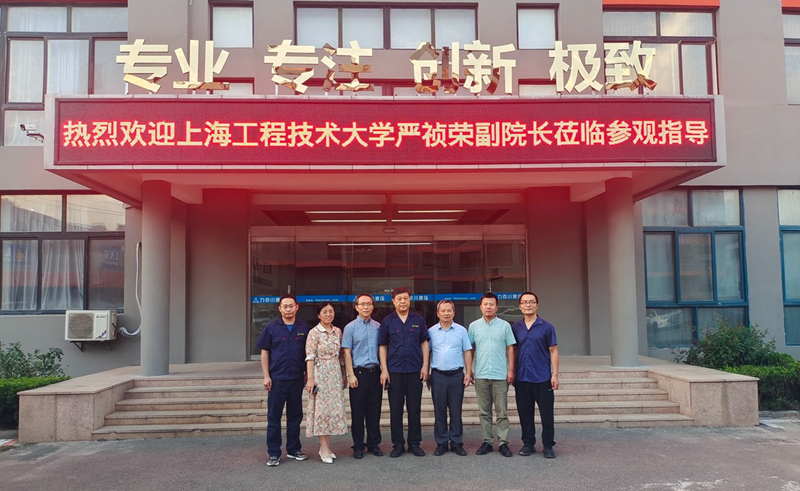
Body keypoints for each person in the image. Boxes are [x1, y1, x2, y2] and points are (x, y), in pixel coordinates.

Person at [256, 294, 311, 467]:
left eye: (291, 306)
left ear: (297, 307)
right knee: (274, 417)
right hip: (277, 379)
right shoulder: (271, 327)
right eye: (285, 306)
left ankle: (294, 449)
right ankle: (274, 453)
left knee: (295, 416)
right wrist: (266, 375)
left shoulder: (303, 327)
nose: (288, 309)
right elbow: (265, 352)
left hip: (296, 379)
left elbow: (308, 353)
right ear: (280, 308)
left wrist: (308, 374)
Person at [378, 287, 430, 458]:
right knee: (396, 409)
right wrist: (384, 370)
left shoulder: (418, 319)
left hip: (415, 370)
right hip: (395, 371)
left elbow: (424, 343)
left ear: (410, 300)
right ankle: (398, 444)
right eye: (399, 299)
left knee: (414, 408)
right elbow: (383, 346)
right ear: (393, 301)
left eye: (405, 298)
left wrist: (425, 366)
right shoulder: (387, 321)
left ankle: (414, 443)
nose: (403, 302)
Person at [468, 292, 516, 458]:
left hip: (500, 374)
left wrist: (510, 370)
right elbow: (470, 349)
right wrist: (469, 369)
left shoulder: (505, 326)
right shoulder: (473, 326)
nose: (488, 307)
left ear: (496, 307)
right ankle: (487, 441)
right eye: (485, 304)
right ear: (481, 307)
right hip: (481, 374)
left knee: (502, 411)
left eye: (491, 304)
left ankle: (503, 442)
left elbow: (510, 348)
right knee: (484, 411)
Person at [512, 292, 559, 459]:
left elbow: (553, 351)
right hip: (522, 377)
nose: (528, 305)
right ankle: (528, 443)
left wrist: (555, 375)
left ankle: (548, 445)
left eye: (531, 302)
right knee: (525, 413)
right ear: (520, 306)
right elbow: (513, 351)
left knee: (546, 414)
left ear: (537, 306)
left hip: (542, 377)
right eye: (524, 302)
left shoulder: (547, 327)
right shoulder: (516, 327)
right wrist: (511, 371)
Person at [428, 299, 473, 457]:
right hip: (438, 375)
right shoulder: (431, 332)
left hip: (456, 375)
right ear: (437, 313)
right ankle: (441, 443)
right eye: (443, 310)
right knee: (439, 411)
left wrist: (468, 372)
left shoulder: (461, 331)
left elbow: (467, 351)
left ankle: (456, 442)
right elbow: (427, 352)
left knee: (456, 411)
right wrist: (426, 371)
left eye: (449, 310)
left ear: (453, 313)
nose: (446, 313)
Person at [342, 293, 384, 459]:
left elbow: (382, 349)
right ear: (356, 307)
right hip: (358, 374)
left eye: (369, 304)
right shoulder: (350, 328)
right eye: (362, 304)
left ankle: (374, 444)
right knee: (358, 412)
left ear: (373, 307)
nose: (366, 307)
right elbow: (347, 352)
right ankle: (358, 446)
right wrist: (350, 375)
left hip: (375, 373)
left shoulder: (378, 327)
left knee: (374, 411)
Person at [305, 302, 348, 464]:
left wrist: (344, 374)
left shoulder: (338, 331)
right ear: (318, 315)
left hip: (335, 374)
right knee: (322, 412)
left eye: (331, 311)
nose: (328, 314)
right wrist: (310, 378)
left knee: (331, 411)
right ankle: (323, 448)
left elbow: (341, 356)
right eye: (325, 312)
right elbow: (310, 356)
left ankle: (327, 446)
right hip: (320, 373)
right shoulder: (314, 333)